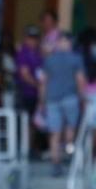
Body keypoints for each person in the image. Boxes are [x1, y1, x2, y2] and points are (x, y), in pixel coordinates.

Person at [40, 32, 85, 176]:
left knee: (55, 133)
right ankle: (68, 153)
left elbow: (43, 82)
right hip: (70, 98)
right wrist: (82, 98)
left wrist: (41, 101)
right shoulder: (76, 59)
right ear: (70, 44)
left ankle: (56, 164)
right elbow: (80, 80)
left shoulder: (49, 60)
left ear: (58, 43)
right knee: (70, 129)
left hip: (52, 99)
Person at [16, 25, 43, 153]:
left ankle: (30, 147)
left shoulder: (38, 53)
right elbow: (24, 74)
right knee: (26, 122)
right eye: (30, 38)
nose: (33, 41)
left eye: (35, 38)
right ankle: (24, 149)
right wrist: (38, 85)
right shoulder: (23, 53)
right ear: (26, 38)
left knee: (34, 122)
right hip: (26, 93)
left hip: (37, 95)